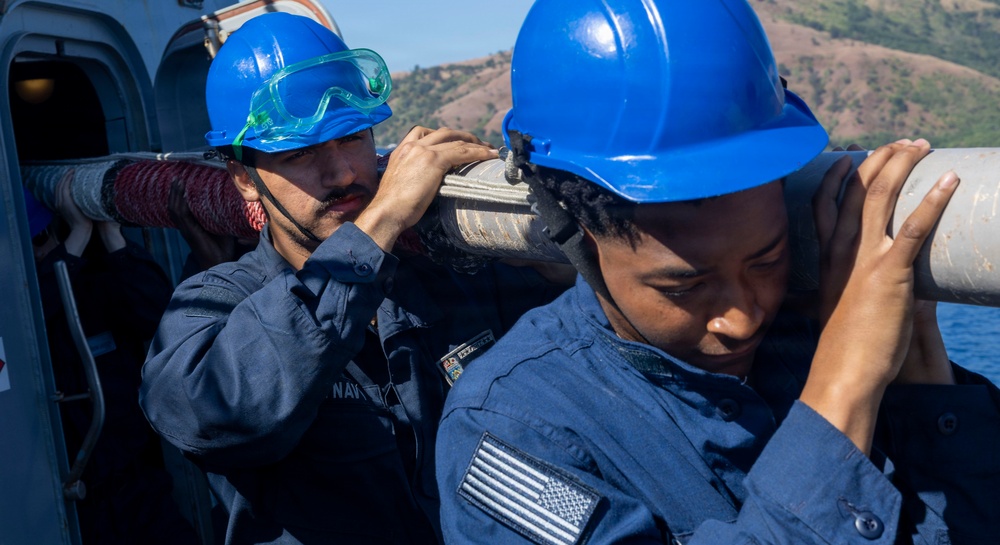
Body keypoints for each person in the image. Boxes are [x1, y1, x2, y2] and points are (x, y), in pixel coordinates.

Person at [435, 0, 1000, 543]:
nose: (744, 317)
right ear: (576, 235)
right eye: (684, 285)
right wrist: (844, 384)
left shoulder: (815, 327)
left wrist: (921, 367)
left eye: (769, 259)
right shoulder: (511, 429)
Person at [139, 12, 567, 545]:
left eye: (352, 137)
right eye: (298, 153)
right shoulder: (215, 308)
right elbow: (211, 415)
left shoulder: (453, 278)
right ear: (245, 180)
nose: (342, 173)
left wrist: (563, 266)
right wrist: (382, 219)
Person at [29, 174, 196, 544]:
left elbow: (159, 314)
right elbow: (33, 313)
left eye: (45, 237)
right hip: (78, 502)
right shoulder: (29, 305)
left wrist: (111, 238)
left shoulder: (91, 286)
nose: (43, 250)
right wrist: (70, 244)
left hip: (138, 483)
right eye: (32, 246)